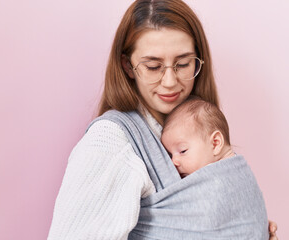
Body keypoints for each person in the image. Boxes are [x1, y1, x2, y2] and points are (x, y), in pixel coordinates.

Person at [47, 0, 278, 239]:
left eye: (183, 64)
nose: (169, 81)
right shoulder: (109, 143)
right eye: (153, 66)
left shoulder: (197, 130)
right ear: (128, 66)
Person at [161, 96, 269, 238]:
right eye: (170, 154)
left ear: (215, 143)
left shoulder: (226, 179)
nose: (174, 161)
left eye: (182, 151)